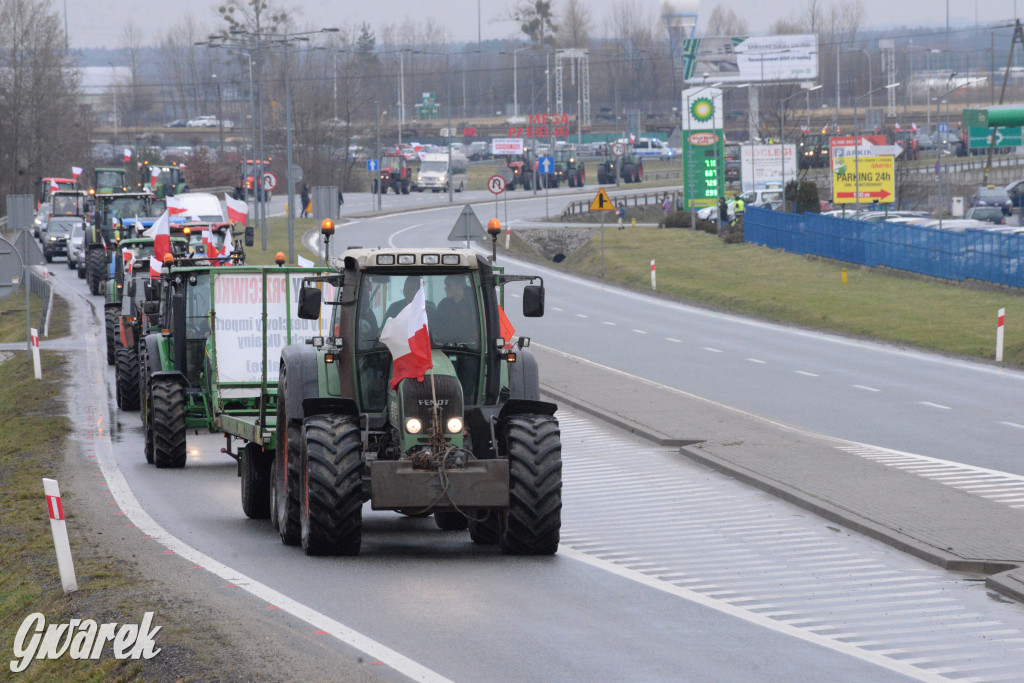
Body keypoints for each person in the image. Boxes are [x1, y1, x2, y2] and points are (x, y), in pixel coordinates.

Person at [434, 274, 478, 346]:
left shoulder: (473, 303)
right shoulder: (443, 305)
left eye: (449, 285)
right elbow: (437, 327)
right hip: (446, 345)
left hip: (469, 347)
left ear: (459, 287)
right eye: (446, 285)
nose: (445, 288)